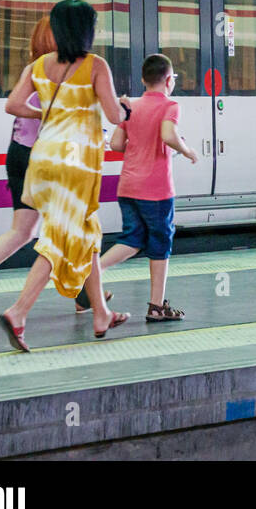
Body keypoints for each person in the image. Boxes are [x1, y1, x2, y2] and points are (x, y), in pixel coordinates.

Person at [0, 0, 130, 351]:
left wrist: (49, 118)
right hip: (76, 164)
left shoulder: (39, 65)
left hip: (43, 158)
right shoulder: (96, 65)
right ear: (87, 30)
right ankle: (18, 312)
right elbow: (115, 116)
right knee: (58, 240)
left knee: (86, 232)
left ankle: (101, 312)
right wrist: (128, 107)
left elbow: (13, 104)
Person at [99, 53, 197, 322]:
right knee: (160, 243)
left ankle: (93, 271)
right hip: (156, 189)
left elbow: (117, 144)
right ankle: (156, 306)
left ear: (143, 79)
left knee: (132, 239)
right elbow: (168, 134)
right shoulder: (171, 105)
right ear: (168, 80)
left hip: (128, 185)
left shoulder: (130, 105)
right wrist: (187, 150)